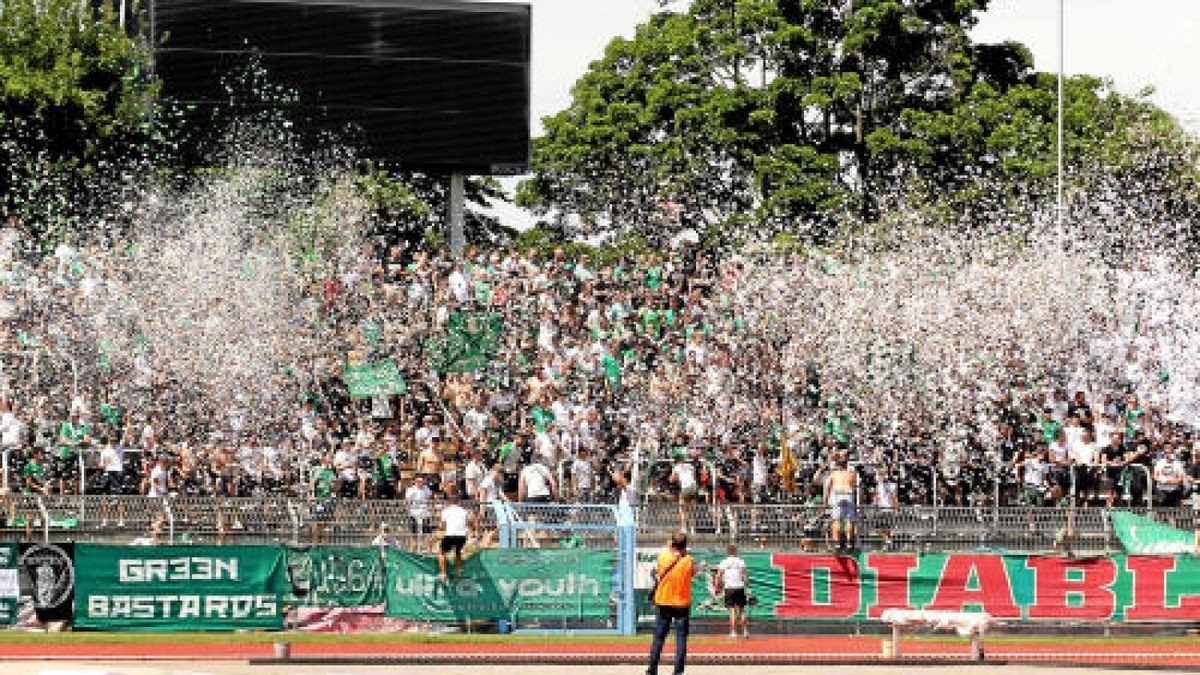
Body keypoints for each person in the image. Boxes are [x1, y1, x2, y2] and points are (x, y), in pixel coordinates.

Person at [646, 532, 696, 675]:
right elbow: (693, 572)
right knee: (681, 639)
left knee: (659, 638)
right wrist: (684, 553)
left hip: (664, 601)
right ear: (685, 545)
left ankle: (652, 669)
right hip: (681, 603)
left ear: (672, 543)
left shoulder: (663, 556)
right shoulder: (689, 560)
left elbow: (658, 568)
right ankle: (678, 671)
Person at [824, 454, 858, 552]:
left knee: (836, 520)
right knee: (849, 520)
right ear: (846, 465)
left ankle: (837, 543)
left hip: (837, 493)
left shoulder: (833, 474)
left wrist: (825, 502)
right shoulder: (851, 473)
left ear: (838, 465)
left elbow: (828, 488)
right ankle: (849, 542)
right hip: (848, 493)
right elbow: (854, 485)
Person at [715, 543, 749, 638]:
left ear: (727, 552)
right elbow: (745, 576)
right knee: (742, 610)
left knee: (732, 610)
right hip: (739, 587)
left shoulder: (724, 562)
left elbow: (718, 576)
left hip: (729, 588)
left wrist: (717, 587)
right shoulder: (740, 561)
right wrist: (748, 587)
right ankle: (745, 631)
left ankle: (734, 632)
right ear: (736, 551)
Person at [438, 490, 472, 580]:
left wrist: (440, 530)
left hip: (450, 535)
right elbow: (469, 523)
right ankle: (458, 572)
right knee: (457, 553)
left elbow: (441, 526)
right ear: (458, 502)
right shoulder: (464, 511)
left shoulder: (446, 511)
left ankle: (443, 573)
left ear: (449, 502)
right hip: (462, 536)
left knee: (441, 552)